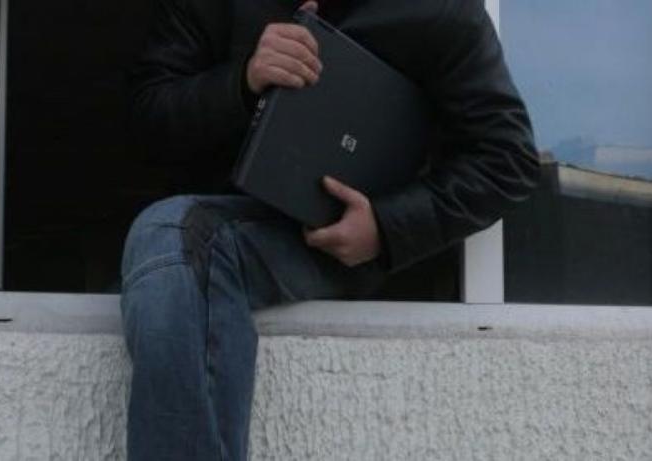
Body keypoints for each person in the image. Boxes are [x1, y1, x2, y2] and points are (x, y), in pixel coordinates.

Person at [120, 0, 540, 459]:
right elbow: (143, 120)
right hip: (221, 227)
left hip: (358, 253)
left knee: (173, 239)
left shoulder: (442, 8)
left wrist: (386, 227)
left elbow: (507, 160)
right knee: (172, 245)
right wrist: (242, 81)